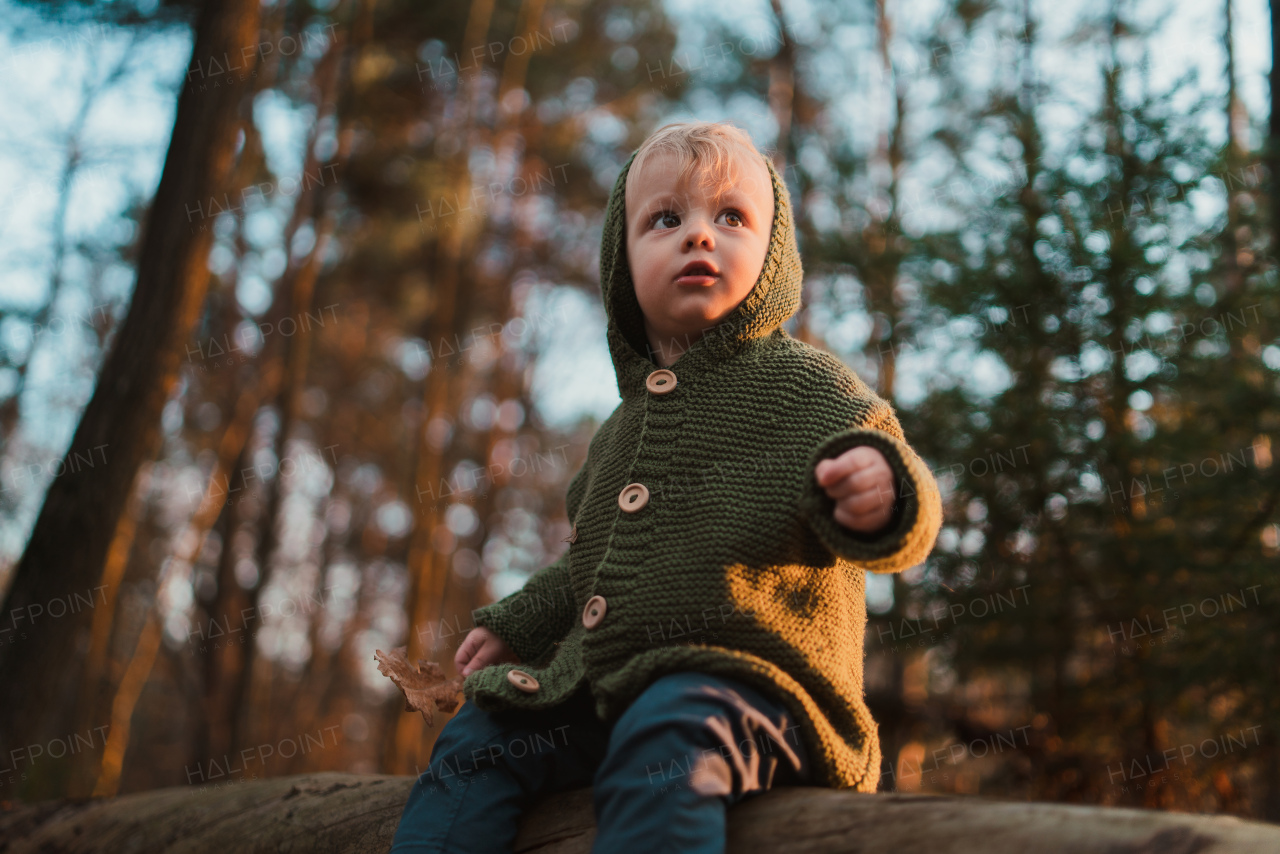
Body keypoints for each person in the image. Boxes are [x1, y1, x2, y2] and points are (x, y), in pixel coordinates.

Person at [390, 120, 943, 853]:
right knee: (481, 736)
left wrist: (884, 492)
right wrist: (519, 623)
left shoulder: (806, 386)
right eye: (665, 219)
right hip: (606, 693)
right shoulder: (618, 435)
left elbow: (907, 502)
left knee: (667, 742)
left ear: (774, 255)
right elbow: (587, 568)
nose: (700, 236)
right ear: (622, 264)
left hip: (753, 687)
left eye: (731, 217)